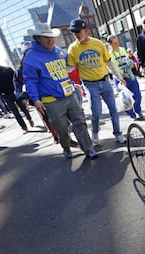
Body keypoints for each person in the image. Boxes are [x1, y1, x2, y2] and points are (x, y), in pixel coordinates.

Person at [23, 22, 98, 159]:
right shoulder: (31, 57)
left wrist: (73, 82)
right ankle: (66, 147)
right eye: (46, 37)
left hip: (70, 95)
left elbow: (70, 64)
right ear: (38, 38)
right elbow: (30, 80)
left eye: (51, 37)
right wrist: (35, 99)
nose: (50, 40)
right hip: (52, 100)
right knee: (62, 128)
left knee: (80, 122)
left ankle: (88, 149)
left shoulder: (58, 51)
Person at [67, 19, 126, 146]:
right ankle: (95, 133)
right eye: (74, 33)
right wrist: (67, 82)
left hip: (105, 82)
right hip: (90, 84)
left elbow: (109, 62)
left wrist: (119, 77)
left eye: (78, 32)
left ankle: (118, 133)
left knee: (113, 110)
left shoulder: (98, 44)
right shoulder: (73, 48)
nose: (76, 35)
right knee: (96, 113)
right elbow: (69, 68)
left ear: (86, 30)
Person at [0, 55, 35, 133]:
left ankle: (29, 119)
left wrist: (19, 89)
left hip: (15, 91)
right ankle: (24, 127)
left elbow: (16, 79)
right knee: (15, 111)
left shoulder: (7, 69)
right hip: (5, 94)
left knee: (23, 107)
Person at [107, 35, 143, 120]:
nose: (117, 44)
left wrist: (130, 66)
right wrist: (121, 76)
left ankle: (138, 109)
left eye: (117, 42)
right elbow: (112, 68)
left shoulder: (123, 49)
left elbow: (127, 60)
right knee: (125, 99)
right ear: (110, 44)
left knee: (137, 95)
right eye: (114, 43)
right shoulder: (109, 54)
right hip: (120, 78)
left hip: (130, 75)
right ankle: (132, 114)